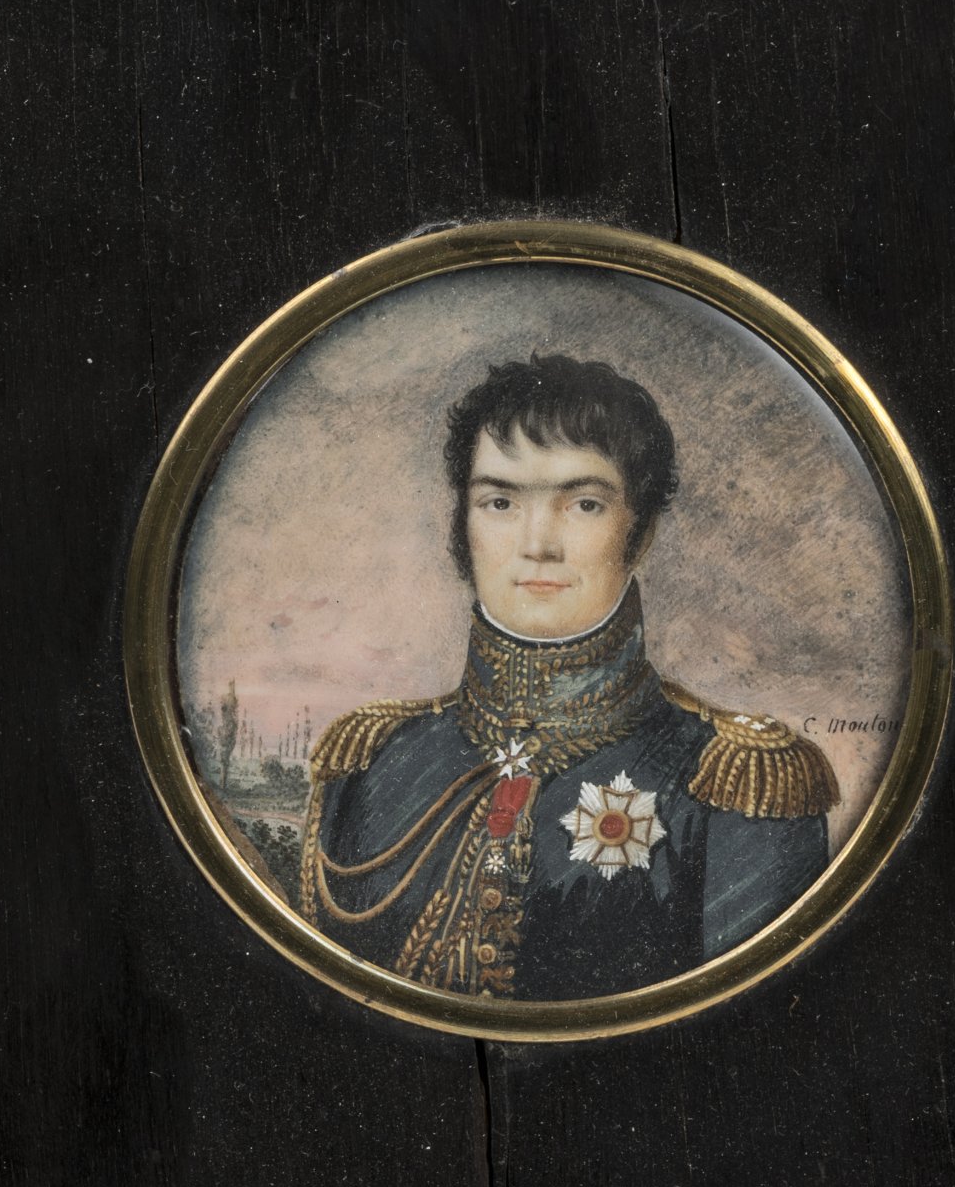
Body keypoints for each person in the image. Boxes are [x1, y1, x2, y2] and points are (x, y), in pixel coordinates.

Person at [299, 353, 839, 1001]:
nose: (538, 544)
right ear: (463, 526)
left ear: (640, 532)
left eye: (584, 504)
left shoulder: (734, 786)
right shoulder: (370, 762)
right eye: (500, 501)